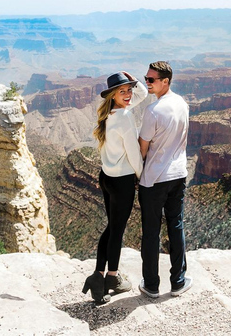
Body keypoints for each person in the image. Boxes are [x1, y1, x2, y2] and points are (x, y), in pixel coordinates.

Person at [82, 71, 148, 304]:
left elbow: (141, 95)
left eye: (129, 90)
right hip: (122, 182)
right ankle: (106, 277)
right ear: (113, 95)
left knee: (112, 228)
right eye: (123, 91)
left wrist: (133, 82)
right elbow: (133, 151)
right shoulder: (125, 118)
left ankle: (104, 276)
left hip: (106, 177)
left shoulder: (110, 114)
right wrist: (142, 178)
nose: (129, 94)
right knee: (116, 232)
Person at [137, 61, 192, 298]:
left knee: (151, 231)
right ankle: (178, 281)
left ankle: (151, 285)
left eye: (151, 80)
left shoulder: (153, 112)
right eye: (146, 79)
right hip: (178, 174)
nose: (147, 83)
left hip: (154, 179)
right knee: (175, 225)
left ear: (165, 81)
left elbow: (142, 149)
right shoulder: (182, 103)